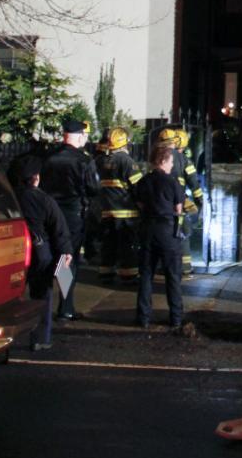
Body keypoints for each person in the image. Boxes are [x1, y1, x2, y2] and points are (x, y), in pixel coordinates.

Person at [10, 156, 73, 352]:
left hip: (13, 253)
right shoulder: (44, 200)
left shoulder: (10, 199)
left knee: (11, 297)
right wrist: (66, 252)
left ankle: (5, 338)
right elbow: (59, 229)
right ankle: (40, 338)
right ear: (36, 178)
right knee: (42, 296)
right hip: (40, 253)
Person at [40, 116, 99, 320]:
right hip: (73, 215)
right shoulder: (84, 160)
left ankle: (43, 304)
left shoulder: (49, 158)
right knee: (68, 259)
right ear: (80, 136)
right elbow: (93, 189)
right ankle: (65, 307)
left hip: (50, 213)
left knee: (51, 257)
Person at [135, 142, 187, 331]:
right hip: (167, 232)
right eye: (171, 161)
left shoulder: (143, 181)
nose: (172, 165)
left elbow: (139, 204)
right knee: (172, 276)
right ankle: (176, 318)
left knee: (146, 275)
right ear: (164, 161)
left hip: (147, 230)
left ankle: (143, 317)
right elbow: (178, 209)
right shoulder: (173, 182)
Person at [97, 126, 143, 284]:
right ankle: (128, 276)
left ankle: (105, 274)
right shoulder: (127, 162)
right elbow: (139, 188)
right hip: (126, 214)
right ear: (125, 143)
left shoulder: (103, 161)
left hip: (107, 212)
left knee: (108, 245)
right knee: (127, 246)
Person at [155, 127, 203, 276]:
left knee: (163, 235)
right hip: (178, 203)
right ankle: (185, 267)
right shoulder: (184, 160)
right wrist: (199, 200)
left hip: (160, 203)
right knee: (183, 233)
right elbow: (194, 183)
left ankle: (163, 266)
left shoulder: (157, 156)